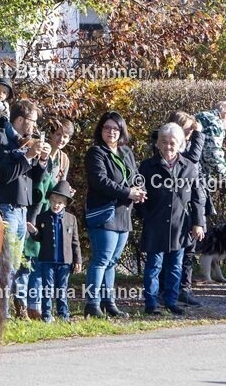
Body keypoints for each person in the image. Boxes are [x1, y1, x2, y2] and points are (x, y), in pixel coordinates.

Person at [0, 99, 50, 318]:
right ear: (20, 119)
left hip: (21, 209)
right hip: (6, 206)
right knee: (5, 264)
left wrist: (41, 161)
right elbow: (5, 175)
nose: (34, 127)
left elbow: (34, 179)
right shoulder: (3, 138)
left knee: (14, 265)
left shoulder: (24, 141)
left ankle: (7, 310)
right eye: (32, 121)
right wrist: (28, 156)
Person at [136, 123, 206, 316]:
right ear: (158, 143)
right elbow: (139, 195)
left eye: (172, 142)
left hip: (180, 224)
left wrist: (198, 223)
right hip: (155, 224)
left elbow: (197, 198)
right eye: (164, 142)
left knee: (176, 266)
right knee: (154, 266)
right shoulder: (147, 166)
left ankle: (171, 301)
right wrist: (145, 215)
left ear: (181, 144)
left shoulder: (190, 167)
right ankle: (151, 303)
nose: (168, 146)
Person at [83, 112, 145, 318]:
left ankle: (109, 303)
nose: (111, 132)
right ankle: (92, 304)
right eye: (107, 128)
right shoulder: (96, 153)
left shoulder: (126, 152)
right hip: (104, 213)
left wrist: (139, 190)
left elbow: (135, 176)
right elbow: (100, 181)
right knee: (101, 259)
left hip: (123, 214)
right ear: (100, 130)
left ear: (121, 131)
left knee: (112, 262)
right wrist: (128, 192)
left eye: (115, 129)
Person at [27, 180, 82, 322]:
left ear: (65, 204)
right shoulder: (42, 217)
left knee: (62, 289)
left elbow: (75, 242)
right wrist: (34, 232)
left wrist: (78, 260)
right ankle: (46, 315)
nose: (56, 205)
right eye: (53, 201)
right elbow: (39, 238)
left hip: (65, 261)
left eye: (59, 202)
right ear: (50, 200)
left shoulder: (71, 219)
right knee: (47, 288)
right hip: (47, 260)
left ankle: (63, 314)